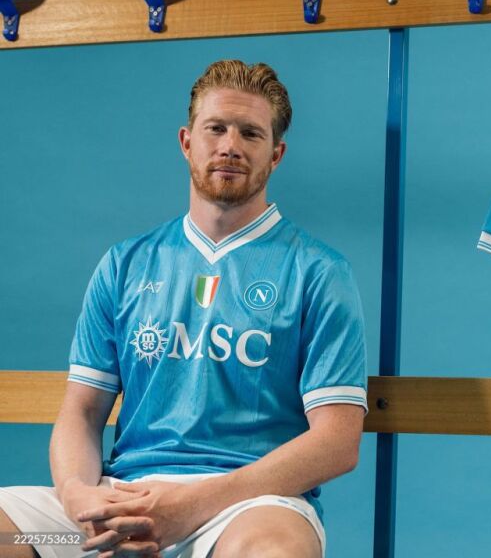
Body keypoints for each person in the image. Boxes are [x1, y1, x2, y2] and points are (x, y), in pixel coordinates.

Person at [0, 60, 369, 558]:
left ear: (276, 154)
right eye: (216, 128)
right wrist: (78, 497)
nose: (230, 146)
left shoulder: (319, 272)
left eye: (250, 133)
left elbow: (338, 442)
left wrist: (193, 504)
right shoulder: (125, 264)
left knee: (274, 553)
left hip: (246, 507)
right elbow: (82, 412)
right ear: (186, 141)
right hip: (124, 502)